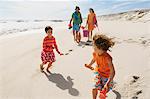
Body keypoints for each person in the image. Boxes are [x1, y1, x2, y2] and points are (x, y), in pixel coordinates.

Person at [85, 34, 115, 99]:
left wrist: (108, 82)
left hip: (107, 76)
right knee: (94, 88)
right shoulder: (95, 53)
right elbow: (94, 59)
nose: (93, 49)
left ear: (101, 49)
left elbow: (113, 72)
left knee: (103, 91)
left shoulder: (108, 58)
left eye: (95, 48)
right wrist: (89, 65)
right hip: (98, 73)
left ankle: (103, 93)